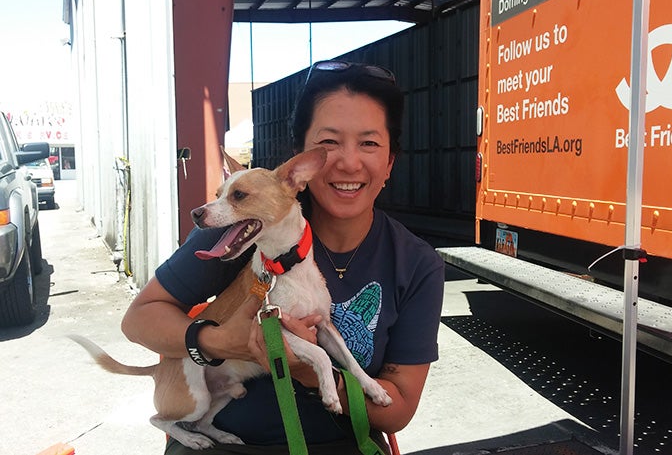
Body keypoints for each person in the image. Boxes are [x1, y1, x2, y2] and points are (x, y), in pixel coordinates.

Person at [121, 60, 446, 454]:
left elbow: (398, 408)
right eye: (328, 143)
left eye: (369, 143)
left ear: (391, 162)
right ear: (300, 164)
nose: (347, 161)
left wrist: (310, 372)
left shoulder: (415, 263)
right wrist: (220, 340)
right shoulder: (241, 228)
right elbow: (139, 319)